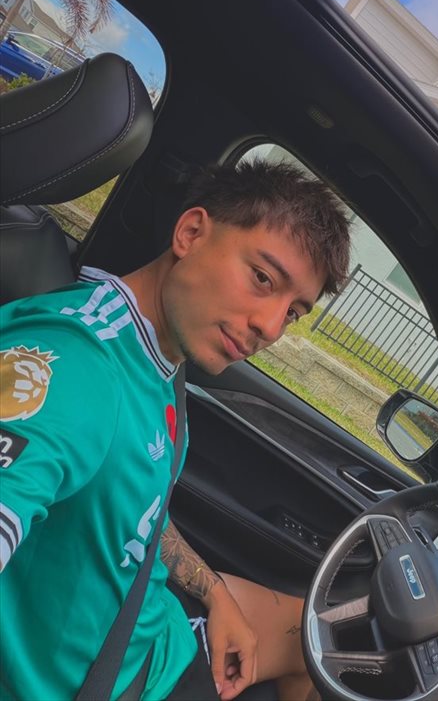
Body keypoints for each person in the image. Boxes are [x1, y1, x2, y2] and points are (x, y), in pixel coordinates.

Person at [0, 160, 351, 700]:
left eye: (293, 313)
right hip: (111, 683)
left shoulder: (158, 358)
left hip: (150, 629)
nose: (270, 326)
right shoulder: (75, 368)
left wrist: (214, 594)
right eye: (262, 278)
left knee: (317, 636)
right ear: (190, 233)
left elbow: (135, 511)